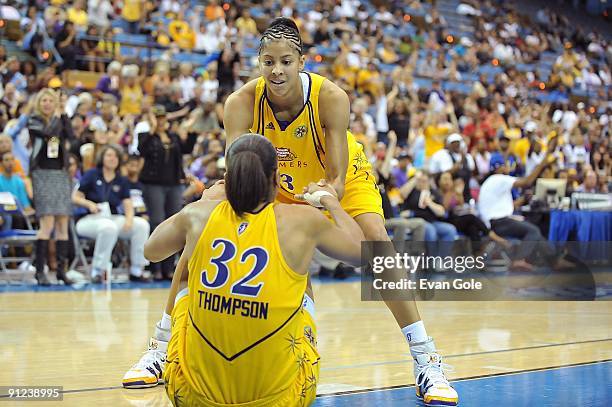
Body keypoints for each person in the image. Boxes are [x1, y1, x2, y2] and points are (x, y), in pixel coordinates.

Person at [125, 18, 458, 407]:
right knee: (205, 226)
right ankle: (161, 347)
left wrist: (324, 198)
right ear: (259, 63)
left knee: (377, 247)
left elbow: (334, 178)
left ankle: (426, 359)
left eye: (285, 61)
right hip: (273, 177)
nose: (277, 70)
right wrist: (213, 198)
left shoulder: (330, 97)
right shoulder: (241, 104)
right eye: (268, 62)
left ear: (301, 61)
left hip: (333, 177)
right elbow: (238, 171)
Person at [148, 134, 363, 405]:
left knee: (190, 259)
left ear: (229, 176)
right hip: (281, 399)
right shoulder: (303, 220)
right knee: (298, 271)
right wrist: (332, 202)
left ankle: (159, 343)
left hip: (191, 396)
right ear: (275, 178)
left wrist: (200, 204)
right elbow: (360, 253)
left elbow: (152, 251)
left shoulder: (198, 215)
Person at [72, 145, 150, 283]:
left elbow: (127, 203)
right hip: (90, 219)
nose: (112, 158)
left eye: (115, 156)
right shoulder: (91, 174)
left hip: (112, 217)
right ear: (102, 157)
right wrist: (89, 204)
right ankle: (98, 270)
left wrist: (129, 219)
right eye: (109, 155)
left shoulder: (122, 180)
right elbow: (75, 197)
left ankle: (137, 269)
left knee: (141, 225)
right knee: (108, 227)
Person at [27, 88, 74, 286]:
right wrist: (57, 115)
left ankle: (62, 271)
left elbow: (70, 136)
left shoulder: (59, 118)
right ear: (39, 103)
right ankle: (40, 271)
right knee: (47, 223)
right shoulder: (34, 121)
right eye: (44, 100)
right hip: (43, 174)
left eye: (50, 100)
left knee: (63, 222)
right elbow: (49, 133)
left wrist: (63, 113)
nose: (47, 103)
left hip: (61, 173)